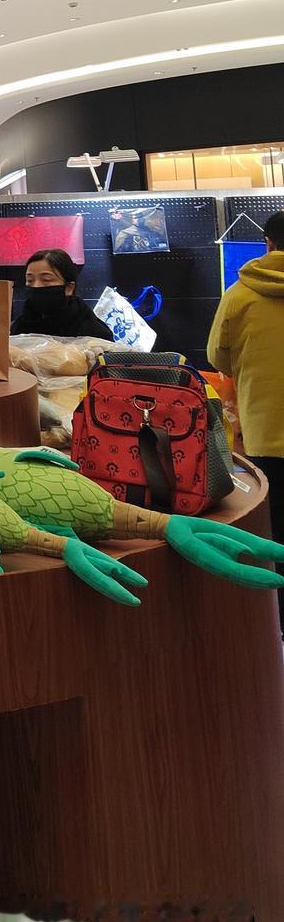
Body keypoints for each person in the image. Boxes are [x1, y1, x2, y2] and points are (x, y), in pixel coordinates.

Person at [208, 211, 284, 623]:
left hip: (265, 430)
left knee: (276, 532)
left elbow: (217, 356)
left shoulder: (240, 294)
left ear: (268, 244)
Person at [12, 249, 115, 341]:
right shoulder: (18, 329)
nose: (36, 286)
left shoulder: (94, 333)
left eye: (46, 280)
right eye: (30, 280)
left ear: (69, 287)